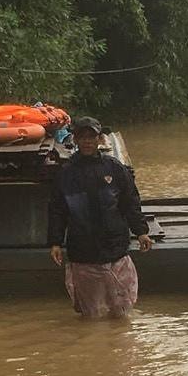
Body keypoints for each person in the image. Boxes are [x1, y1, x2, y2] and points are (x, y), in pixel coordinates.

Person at [47, 117, 153, 319]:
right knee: (91, 315)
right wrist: (55, 242)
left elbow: (130, 201)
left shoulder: (114, 168)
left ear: (100, 139)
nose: (87, 142)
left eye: (91, 137)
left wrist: (141, 232)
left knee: (121, 312)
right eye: (82, 137)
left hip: (115, 246)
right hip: (83, 248)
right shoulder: (66, 173)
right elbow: (57, 210)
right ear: (75, 140)